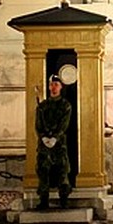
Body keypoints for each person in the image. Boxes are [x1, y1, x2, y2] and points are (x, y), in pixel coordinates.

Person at [35, 74, 73, 209]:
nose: (53, 87)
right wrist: (44, 137)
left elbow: (64, 124)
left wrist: (55, 137)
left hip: (59, 144)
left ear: (61, 87)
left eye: (56, 84)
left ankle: (64, 199)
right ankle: (43, 200)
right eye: (52, 84)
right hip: (44, 144)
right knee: (43, 171)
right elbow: (38, 124)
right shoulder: (43, 105)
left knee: (62, 171)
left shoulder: (65, 105)